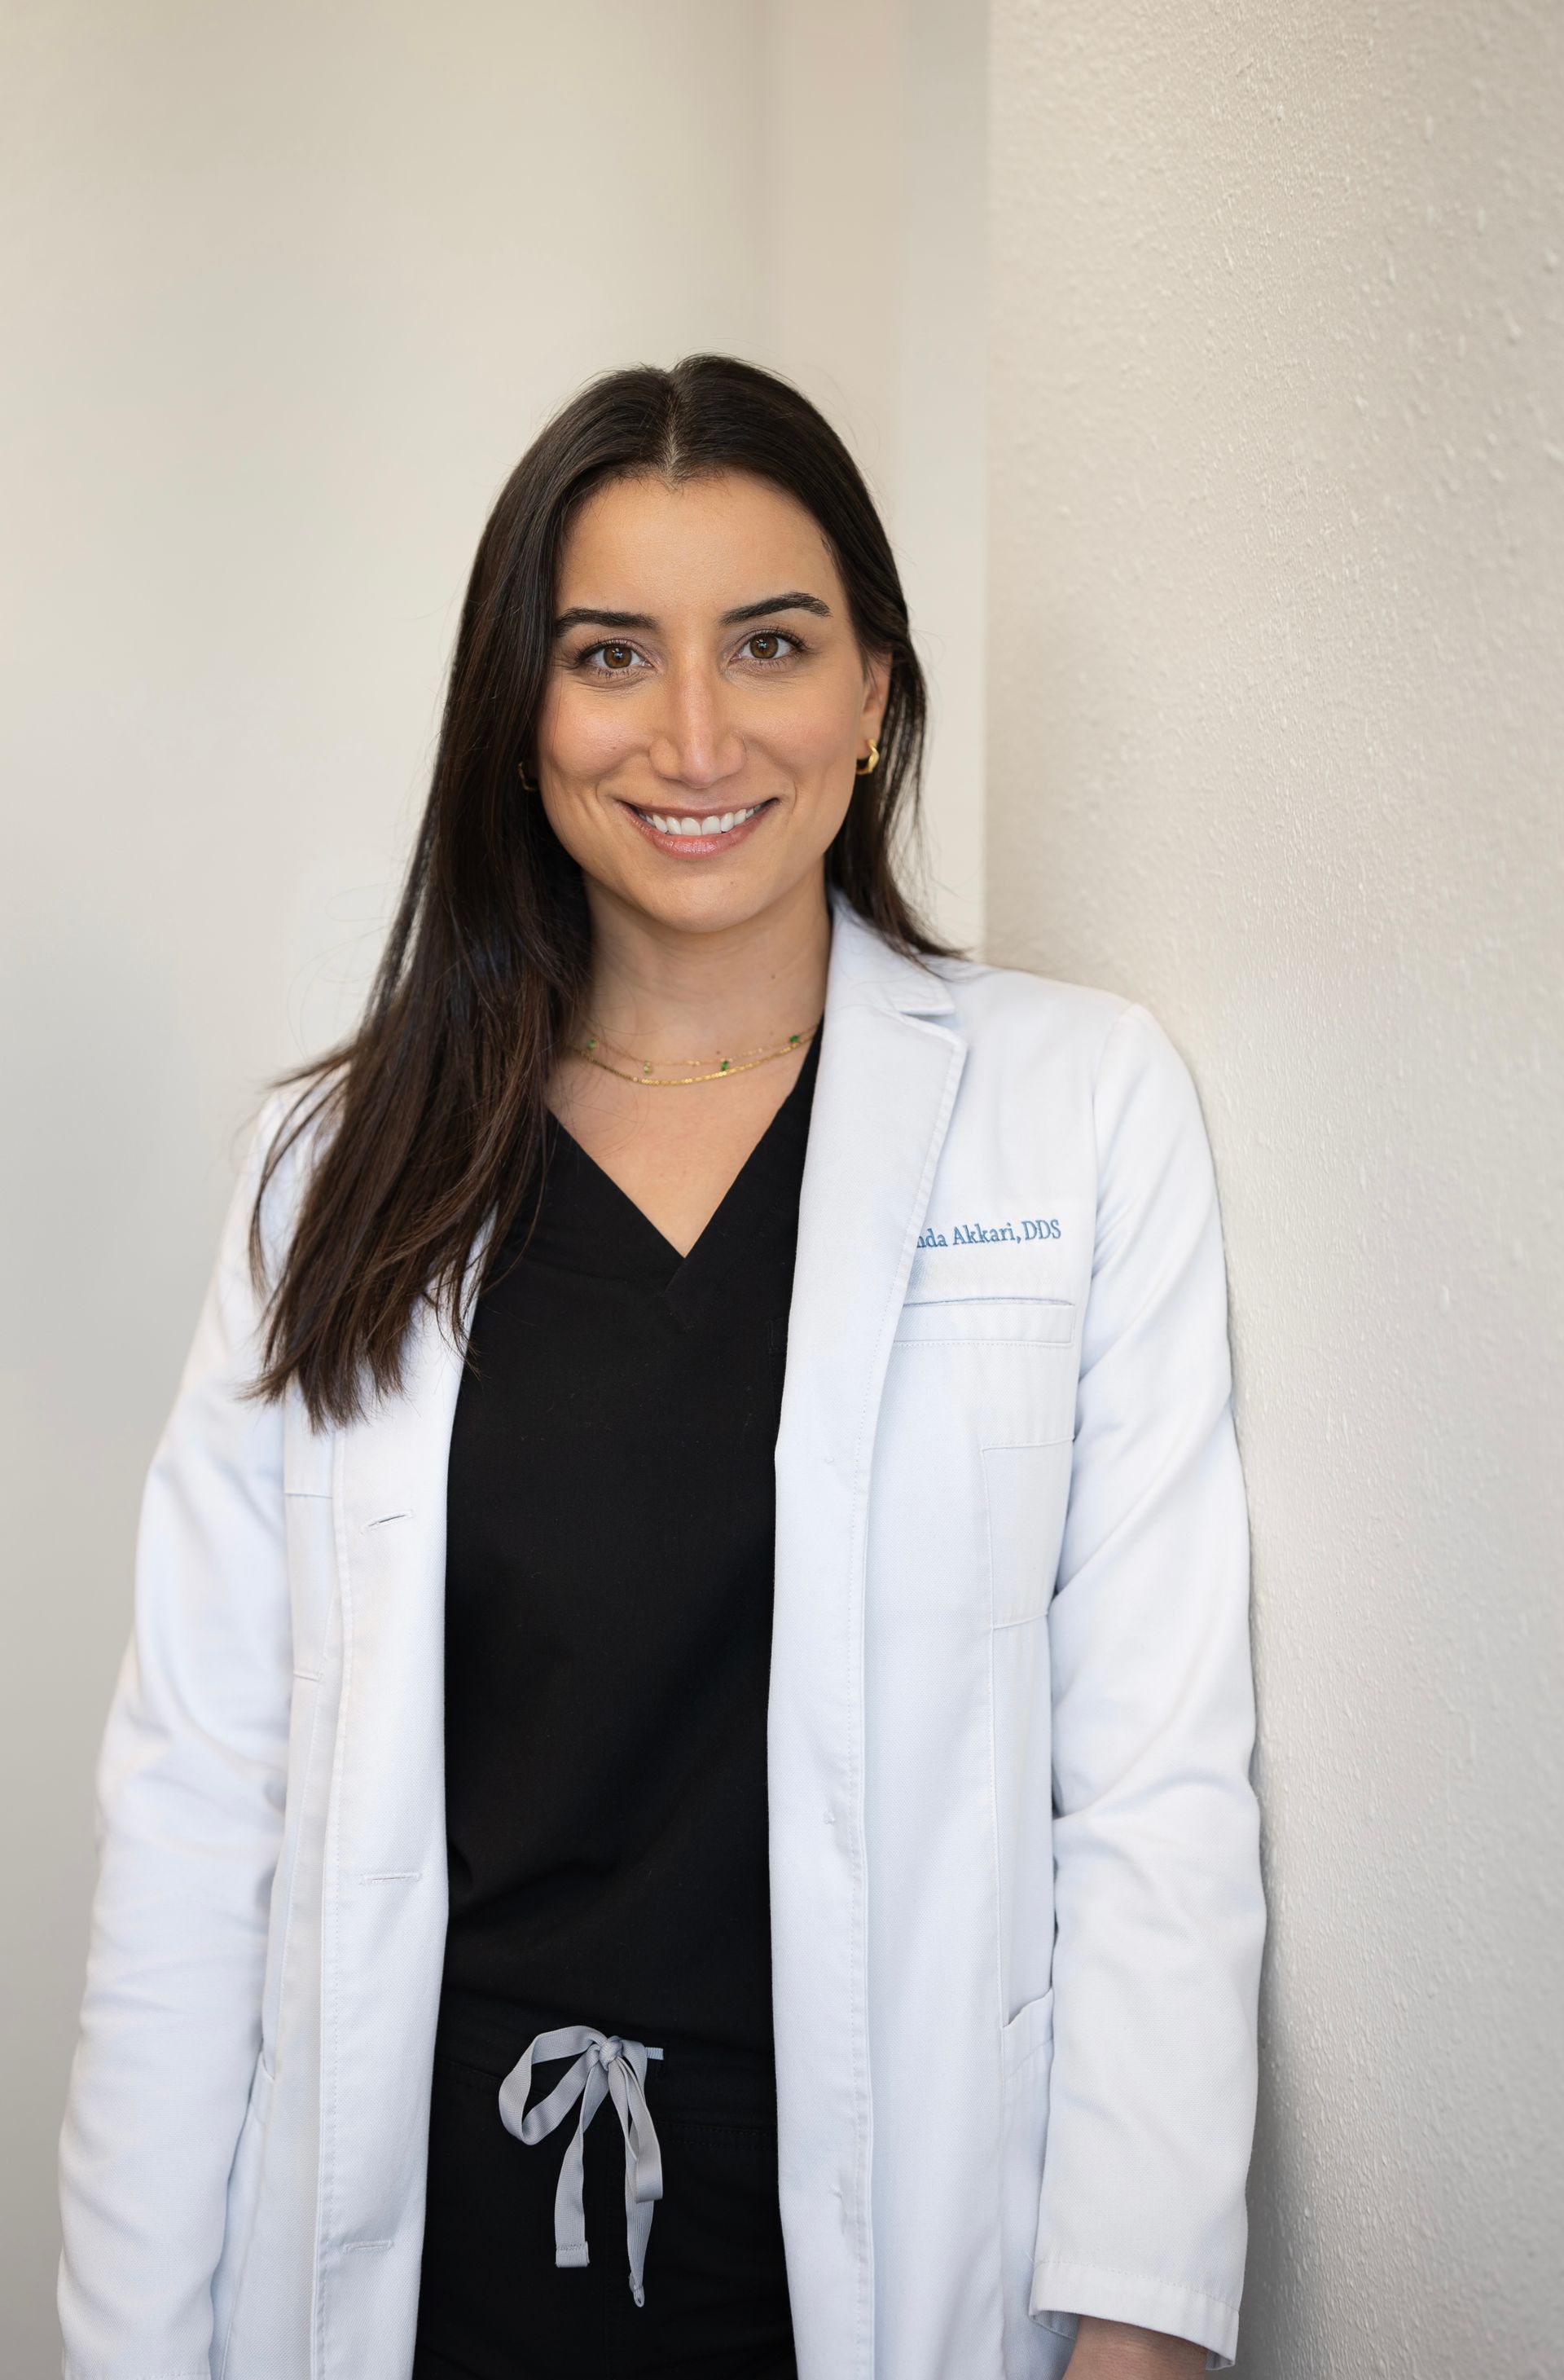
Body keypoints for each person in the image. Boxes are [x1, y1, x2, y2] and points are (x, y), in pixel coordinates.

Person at [57, 354, 1265, 2380]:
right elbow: (197, 1816)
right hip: (426, 2260)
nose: (695, 734)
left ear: (874, 692)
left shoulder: (1074, 1111)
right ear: (519, 710)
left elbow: (1153, 1781)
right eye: (613, 652)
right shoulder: (330, 1175)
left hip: (891, 2262)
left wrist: (1141, 2328)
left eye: (771, 645)